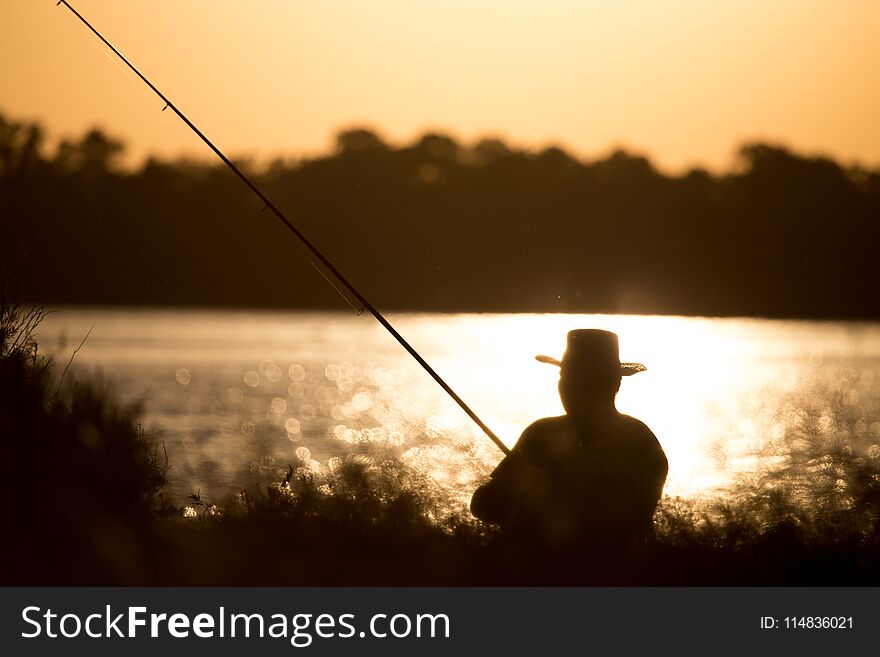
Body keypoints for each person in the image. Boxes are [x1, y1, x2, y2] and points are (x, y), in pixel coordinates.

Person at [471, 329, 668, 565]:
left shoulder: (542, 435)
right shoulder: (642, 439)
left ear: (609, 384)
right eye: (565, 376)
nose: (565, 386)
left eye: (575, 378)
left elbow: (628, 522)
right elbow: (487, 506)